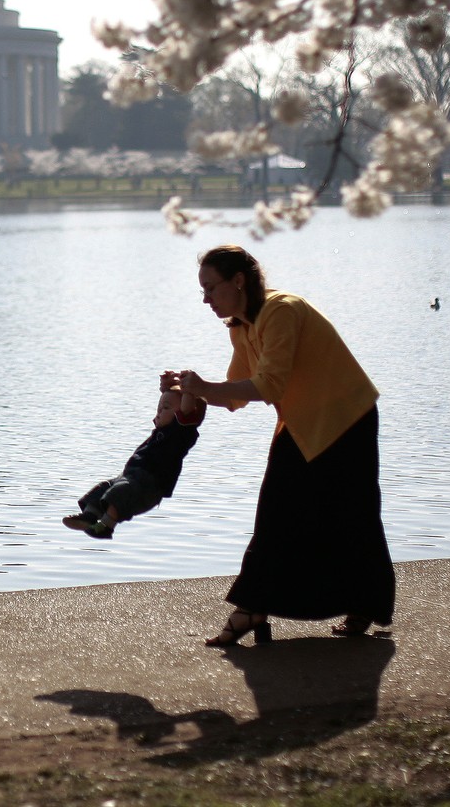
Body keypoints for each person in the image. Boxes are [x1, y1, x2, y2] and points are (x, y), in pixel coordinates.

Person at [165, 244, 395, 647]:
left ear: (238, 281)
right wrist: (190, 391)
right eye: (201, 290)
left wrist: (203, 387)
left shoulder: (281, 310)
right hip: (305, 422)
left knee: (353, 513)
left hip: (348, 416)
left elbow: (269, 384)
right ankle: (254, 608)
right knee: (278, 510)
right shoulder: (242, 324)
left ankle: (357, 606)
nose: (204, 299)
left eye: (210, 288)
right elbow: (235, 394)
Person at [62, 386, 206, 540]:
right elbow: (171, 394)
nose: (158, 413)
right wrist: (170, 383)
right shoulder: (161, 432)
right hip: (130, 477)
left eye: (165, 408)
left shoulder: (180, 434)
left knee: (118, 492)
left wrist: (188, 389)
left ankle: (105, 526)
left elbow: (187, 411)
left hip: (148, 487)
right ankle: (90, 516)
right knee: (102, 488)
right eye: (158, 408)